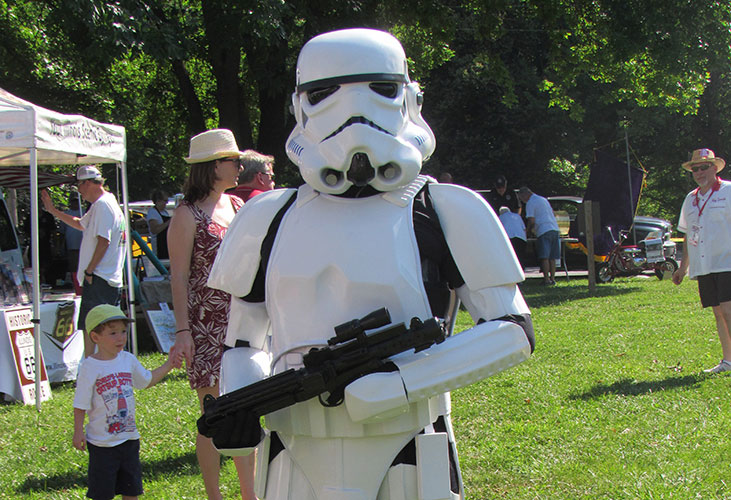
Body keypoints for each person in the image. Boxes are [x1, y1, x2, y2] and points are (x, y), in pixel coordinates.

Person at [203, 29, 534, 500]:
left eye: (380, 91)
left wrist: (403, 384)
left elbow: (512, 330)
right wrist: (242, 402)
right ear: (301, 106)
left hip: (409, 441)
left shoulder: (442, 208)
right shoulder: (267, 216)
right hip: (293, 447)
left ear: (408, 99)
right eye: (324, 95)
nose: (351, 116)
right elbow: (243, 339)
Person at [166, 129, 254, 500]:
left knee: (247, 411)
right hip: (205, 324)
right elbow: (179, 276)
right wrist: (183, 331)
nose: (239, 167)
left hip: (242, 322)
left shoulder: (235, 206)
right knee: (213, 415)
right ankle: (214, 496)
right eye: (233, 161)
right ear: (213, 165)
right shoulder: (186, 215)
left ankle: (250, 495)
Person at [72, 304, 180, 500]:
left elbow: (146, 380)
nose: (121, 337)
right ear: (95, 337)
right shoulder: (90, 367)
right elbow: (80, 403)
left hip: (129, 439)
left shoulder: (128, 360)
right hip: (101, 444)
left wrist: (169, 365)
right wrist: (78, 431)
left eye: (123, 331)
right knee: (102, 492)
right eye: (113, 333)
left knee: (131, 489)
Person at [41, 165, 126, 357]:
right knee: (94, 325)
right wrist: (53, 210)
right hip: (105, 276)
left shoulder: (103, 205)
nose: (79, 191)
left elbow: (104, 241)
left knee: (97, 326)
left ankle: (97, 363)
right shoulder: (103, 204)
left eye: (79, 185)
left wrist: (89, 270)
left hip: (100, 277)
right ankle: (93, 362)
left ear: (88, 183)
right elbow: (80, 224)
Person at [672, 148, 731, 374]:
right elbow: (688, 234)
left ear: (715, 168)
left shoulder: (728, 191)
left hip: (727, 261)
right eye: (695, 169)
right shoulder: (690, 199)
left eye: (704, 167)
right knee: (718, 313)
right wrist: (682, 267)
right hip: (704, 265)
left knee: (728, 310)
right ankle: (727, 361)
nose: (699, 172)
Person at [518, 186, 560, 285]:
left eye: (521, 199)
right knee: (552, 257)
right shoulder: (543, 199)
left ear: (525, 195)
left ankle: (546, 279)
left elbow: (531, 220)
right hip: (554, 228)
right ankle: (552, 279)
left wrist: (527, 231)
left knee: (544, 257)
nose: (522, 201)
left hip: (543, 229)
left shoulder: (530, 203)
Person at [61, 194, 84, 294]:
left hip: (83, 246)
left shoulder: (84, 212)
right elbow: (62, 231)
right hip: (71, 246)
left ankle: (84, 286)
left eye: (76, 201)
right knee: (74, 267)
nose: (75, 203)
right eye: (73, 201)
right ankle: (76, 287)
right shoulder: (66, 213)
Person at [145, 190, 171, 259]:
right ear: (158, 201)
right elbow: (154, 230)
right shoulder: (153, 212)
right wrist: (169, 222)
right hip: (159, 247)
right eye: (165, 201)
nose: (166, 203)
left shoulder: (165, 212)